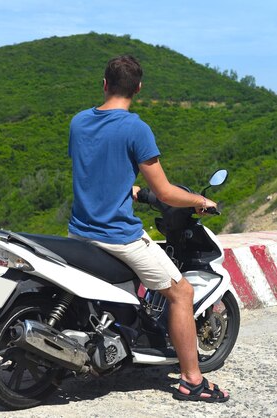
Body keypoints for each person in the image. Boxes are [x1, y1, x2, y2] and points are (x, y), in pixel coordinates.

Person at [67, 55, 229, 402]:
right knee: (182, 293)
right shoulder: (135, 128)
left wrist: (133, 191)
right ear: (138, 88)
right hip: (117, 237)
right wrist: (201, 200)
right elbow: (168, 192)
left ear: (104, 83)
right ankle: (192, 380)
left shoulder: (79, 122)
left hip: (79, 232)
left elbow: (94, 174)